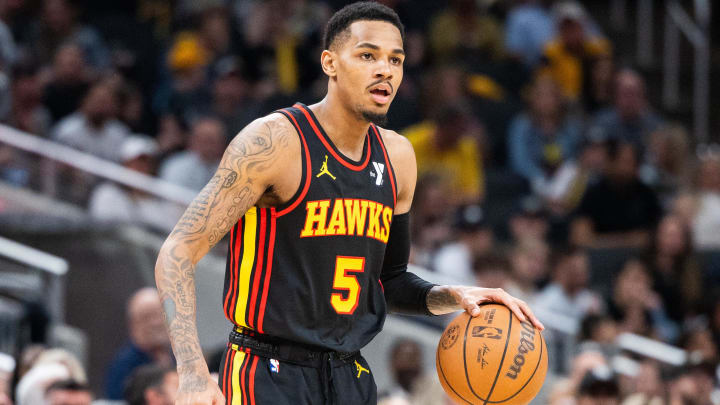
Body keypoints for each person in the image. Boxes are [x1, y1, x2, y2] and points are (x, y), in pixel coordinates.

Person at [154, 3, 543, 404]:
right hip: (268, 369)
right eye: (368, 55)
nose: (385, 70)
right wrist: (192, 370)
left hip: (350, 374)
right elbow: (176, 252)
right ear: (330, 62)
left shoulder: (398, 157)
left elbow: (388, 284)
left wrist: (453, 295)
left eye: (396, 60)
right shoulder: (274, 142)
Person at [106, 288, 172, 400]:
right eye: (147, 317)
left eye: (160, 315)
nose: (156, 323)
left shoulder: (178, 357)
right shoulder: (124, 365)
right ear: (133, 324)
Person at [158, 116, 226, 191]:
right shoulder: (176, 165)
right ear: (192, 140)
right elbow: (170, 196)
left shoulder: (228, 170)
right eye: (203, 140)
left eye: (212, 141)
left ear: (222, 144)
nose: (208, 146)